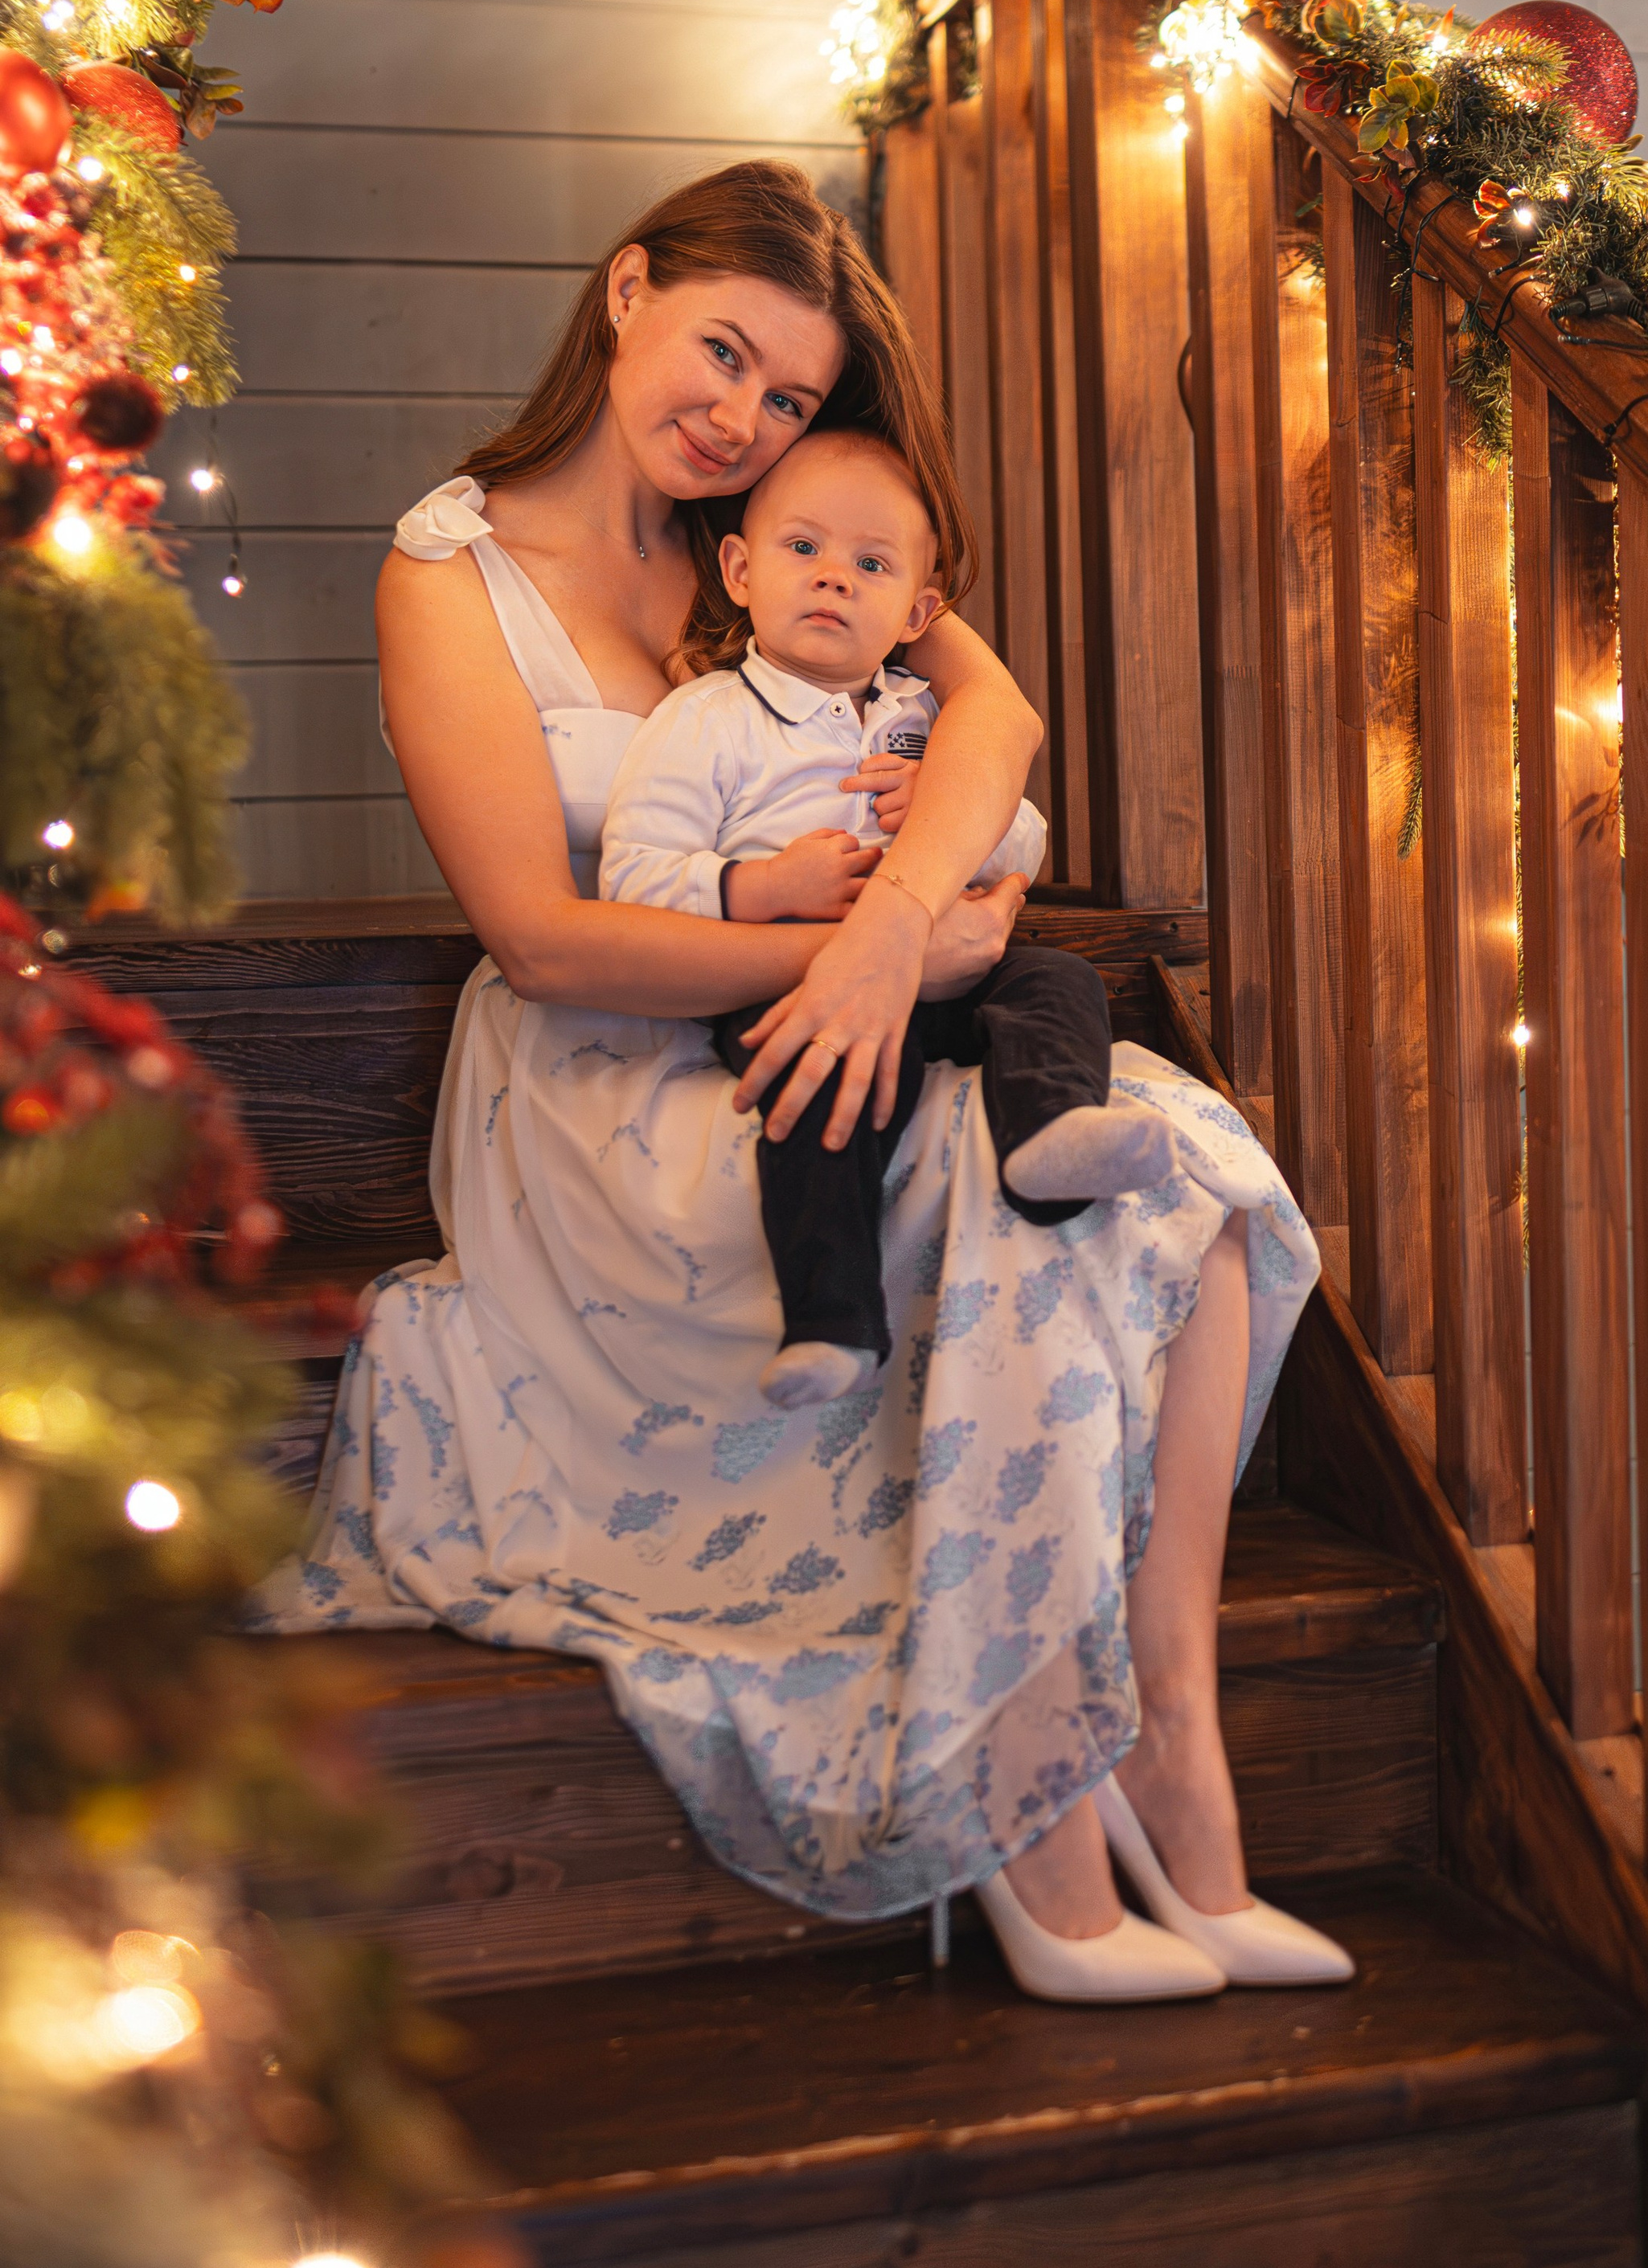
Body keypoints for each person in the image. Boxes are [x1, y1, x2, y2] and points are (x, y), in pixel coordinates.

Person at [256, 159, 1344, 2001]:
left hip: (828, 1012)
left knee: (1175, 1156)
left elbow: (989, 717)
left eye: (782, 394)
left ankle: (1163, 1705)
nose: (739, 415)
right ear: (625, 292)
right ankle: (1028, 1811)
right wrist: (859, 958)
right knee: (1001, 1207)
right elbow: (542, 938)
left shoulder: (777, 529)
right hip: (605, 1092)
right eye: (722, 352)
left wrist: (897, 922)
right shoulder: (452, 571)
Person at [600, 425, 1181, 1413]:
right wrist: (759, 888)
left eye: (869, 564)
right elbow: (634, 878)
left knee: (1058, 981)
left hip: (940, 970)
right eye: (802, 550)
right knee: (837, 1080)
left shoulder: (927, 717)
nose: (833, 579)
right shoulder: (706, 721)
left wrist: (961, 827)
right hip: (790, 979)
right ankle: (830, 1318)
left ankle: (1050, 1138)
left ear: (917, 612)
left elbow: (1024, 841)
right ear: (739, 570)